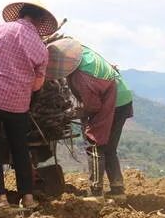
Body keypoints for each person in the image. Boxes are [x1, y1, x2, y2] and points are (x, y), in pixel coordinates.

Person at [0, 0, 58, 209]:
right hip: (18, 106)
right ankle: (27, 198)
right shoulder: (41, 48)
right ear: (38, 22)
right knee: (20, 149)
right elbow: (37, 85)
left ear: (21, 14)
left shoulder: (0, 29)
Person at [45, 38, 133, 200]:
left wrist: (77, 113)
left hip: (112, 103)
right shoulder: (84, 52)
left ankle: (96, 192)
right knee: (110, 147)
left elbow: (93, 106)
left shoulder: (81, 77)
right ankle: (117, 189)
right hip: (124, 98)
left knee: (94, 145)